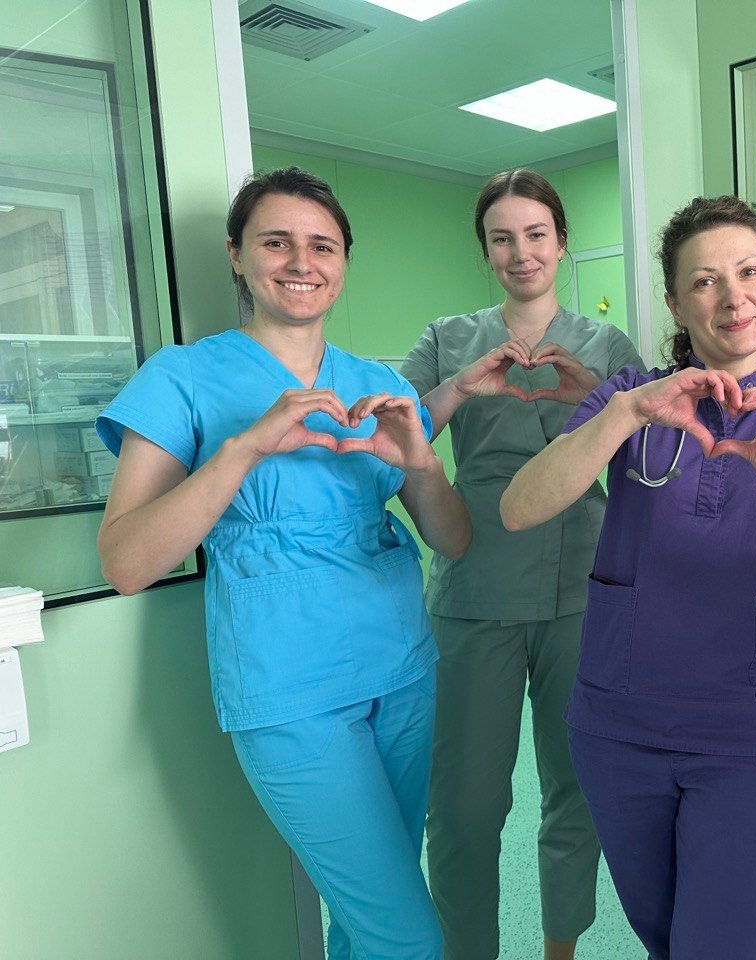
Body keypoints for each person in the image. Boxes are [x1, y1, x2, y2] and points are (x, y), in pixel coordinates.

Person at [96, 167, 471, 960]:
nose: (302, 261)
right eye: (276, 242)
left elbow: (454, 539)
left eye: (322, 246)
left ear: (343, 262)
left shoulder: (377, 383)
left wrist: (422, 465)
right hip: (289, 689)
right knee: (408, 938)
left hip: (402, 668)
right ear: (237, 254)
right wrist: (243, 448)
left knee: (371, 919)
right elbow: (126, 563)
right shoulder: (183, 378)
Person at [501, 195, 756, 960]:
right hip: (618, 729)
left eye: (748, 272)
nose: (733, 297)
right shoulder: (630, 402)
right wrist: (626, 413)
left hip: (747, 738)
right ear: (674, 302)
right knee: (666, 942)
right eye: (705, 281)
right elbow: (519, 508)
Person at [399, 169, 644, 960]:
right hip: (476, 588)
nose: (521, 252)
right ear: (485, 251)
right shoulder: (446, 338)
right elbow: (395, 437)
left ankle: (559, 951)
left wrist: (595, 394)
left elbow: (651, 459)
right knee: (465, 806)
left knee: (577, 791)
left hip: (583, 588)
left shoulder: (607, 345)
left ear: (562, 243)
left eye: (536, 234)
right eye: (501, 238)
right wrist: (462, 387)